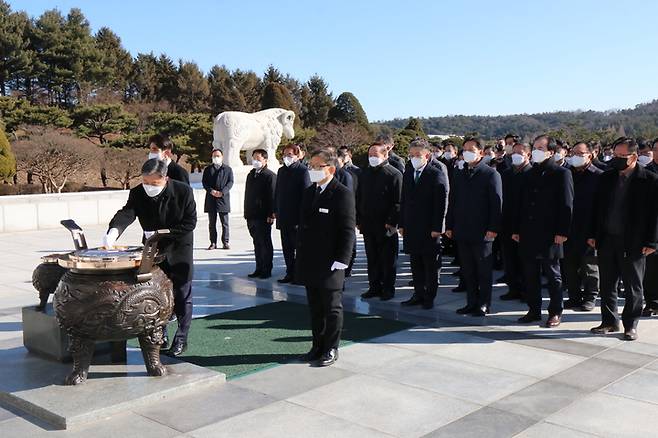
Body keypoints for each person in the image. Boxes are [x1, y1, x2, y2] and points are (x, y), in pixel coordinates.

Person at [103, 158, 197, 356]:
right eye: (146, 182)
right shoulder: (137, 192)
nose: (149, 187)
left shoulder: (183, 191)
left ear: (165, 179)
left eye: (154, 184)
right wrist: (113, 231)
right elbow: (127, 213)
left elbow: (189, 223)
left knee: (182, 293)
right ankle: (159, 333)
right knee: (154, 292)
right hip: (153, 248)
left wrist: (162, 232)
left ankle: (181, 338)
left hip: (180, 246)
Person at [589, 137, 658, 341]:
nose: (617, 159)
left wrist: (652, 242)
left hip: (634, 242)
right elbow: (597, 209)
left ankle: (631, 324)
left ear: (634, 156)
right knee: (608, 283)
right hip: (607, 238)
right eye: (615, 155)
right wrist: (593, 234)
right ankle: (609, 321)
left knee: (633, 286)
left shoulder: (649, 180)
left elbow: (655, 215)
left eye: (622, 156)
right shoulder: (606, 177)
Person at [296, 148, 355, 367]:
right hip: (310, 259)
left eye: (315, 166)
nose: (311, 170)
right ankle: (317, 345)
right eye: (310, 166)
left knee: (331, 307)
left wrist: (342, 259)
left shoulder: (342, 193)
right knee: (315, 307)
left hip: (331, 261)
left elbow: (347, 229)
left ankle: (331, 348)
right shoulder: (310, 191)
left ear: (329, 168)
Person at [513, 135, 574, 327]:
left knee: (553, 274)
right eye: (535, 147)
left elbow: (566, 205)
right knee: (530, 274)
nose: (536, 150)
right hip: (528, 231)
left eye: (541, 148)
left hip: (550, 234)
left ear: (551, 152)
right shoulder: (529, 173)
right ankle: (533, 309)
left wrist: (562, 231)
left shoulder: (561, 173)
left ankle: (555, 311)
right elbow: (521, 204)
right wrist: (517, 229)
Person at [445, 136, 502, 316]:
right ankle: (471, 302)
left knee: (483, 270)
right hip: (462, 229)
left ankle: (484, 303)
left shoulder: (490, 174)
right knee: (467, 270)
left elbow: (496, 203)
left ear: (481, 152)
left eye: (471, 150)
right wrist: (450, 224)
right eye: (465, 150)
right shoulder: (460, 173)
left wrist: (493, 228)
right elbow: (452, 202)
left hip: (482, 231)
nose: (467, 153)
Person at [399, 138, 449, 309]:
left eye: (417, 155)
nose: (414, 158)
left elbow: (441, 202)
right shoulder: (408, 172)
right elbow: (404, 200)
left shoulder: (436, 173)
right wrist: (402, 224)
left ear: (427, 155)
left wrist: (438, 227)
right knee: (415, 263)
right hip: (412, 226)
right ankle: (418, 293)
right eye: (411, 155)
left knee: (430, 265)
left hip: (429, 228)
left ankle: (429, 296)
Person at [358, 143, 403, 301]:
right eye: (370, 154)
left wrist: (391, 222)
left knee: (388, 260)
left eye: (375, 155)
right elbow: (359, 197)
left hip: (386, 226)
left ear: (385, 155)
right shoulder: (365, 173)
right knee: (372, 258)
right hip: (368, 224)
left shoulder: (394, 174)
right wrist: (359, 219)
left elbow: (398, 202)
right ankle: (374, 287)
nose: (372, 158)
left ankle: (388, 289)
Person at [562, 142, 602, 311]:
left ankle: (590, 296)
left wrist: (596, 232)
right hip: (570, 227)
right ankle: (574, 296)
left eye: (580, 153)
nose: (575, 157)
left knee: (590, 265)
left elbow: (602, 206)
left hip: (589, 228)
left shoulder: (599, 176)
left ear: (589, 155)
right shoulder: (567, 174)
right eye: (573, 153)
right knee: (570, 265)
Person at [499, 142, 532, 301]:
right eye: (514, 153)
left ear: (528, 155)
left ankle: (527, 291)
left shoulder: (532, 174)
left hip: (525, 223)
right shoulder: (506, 174)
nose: (516, 156)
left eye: (520, 153)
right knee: (509, 259)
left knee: (525, 261)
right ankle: (513, 288)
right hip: (507, 222)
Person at [274, 144, 311, 283]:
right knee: (287, 248)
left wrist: (303, 217)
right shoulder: (281, 171)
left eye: (290, 154)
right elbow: (277, 192)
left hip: (296, 218)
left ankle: (301, 275)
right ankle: (289, 272)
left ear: (297, 156)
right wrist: (275, 210)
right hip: (283, 217)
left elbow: (306, 196)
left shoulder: (302, 171)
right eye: (284, 155)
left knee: (299, 249)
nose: (287, 157)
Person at [244, 149, 277, 279]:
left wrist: (271, 213)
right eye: (254, 158)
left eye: (258, 159)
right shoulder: (251, 174)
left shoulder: (270, 176)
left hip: (263, 216)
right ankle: (259, 267)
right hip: (251, 214)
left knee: (265, 242)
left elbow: (272, 196)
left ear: (265, 160)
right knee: (256, 243)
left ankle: (267, 269)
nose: (255, 161)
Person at [202, 149, 233, 250]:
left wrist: (223, 192)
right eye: (214, 156)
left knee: (225, 223)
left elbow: (230, 182)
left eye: (218, 156)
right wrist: (211, 191)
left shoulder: (227, 169)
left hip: (223, 199)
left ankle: (226, 242)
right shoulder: (208, 169)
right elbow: (204, 182)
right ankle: (213, 242)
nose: (216, 158)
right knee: (212, 223)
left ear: (222, 157)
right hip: (211, 199)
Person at [643, 137, 658, 316]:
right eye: (656, 149)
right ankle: (652, 301)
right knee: (650, 268)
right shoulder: (645, 173)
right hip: (650, 226)